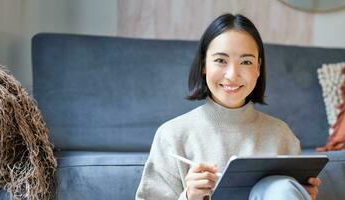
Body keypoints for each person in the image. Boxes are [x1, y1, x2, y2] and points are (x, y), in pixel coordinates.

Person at [136, 13, 321, 200]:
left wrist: (300, 194)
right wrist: (188, 197)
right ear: (204, 65)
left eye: (246, 62)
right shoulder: (171, 135)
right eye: (221, 60)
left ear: (258, 68)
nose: (232, 75)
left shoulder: (281, 135)